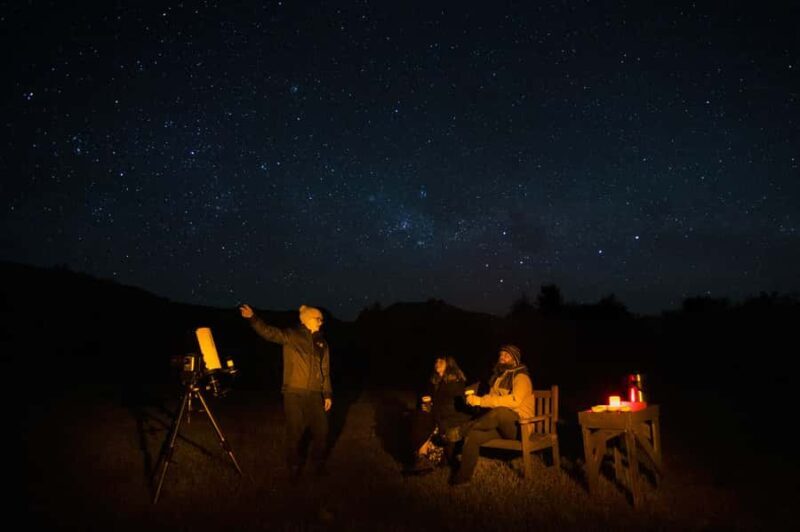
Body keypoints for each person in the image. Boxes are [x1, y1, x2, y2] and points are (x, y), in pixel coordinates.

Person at [239, 303, 332, 477]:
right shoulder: (292, 335)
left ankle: (318, 464)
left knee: (322, 430)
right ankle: (294, 467)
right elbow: (269, 332)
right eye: (318, 319)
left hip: (314, 393)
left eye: (322, 319)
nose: (321, 322)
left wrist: (327, 394)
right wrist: (253, 318)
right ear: (306, 320)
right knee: (294, 431)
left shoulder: (322, 343)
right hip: (293, 392)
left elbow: (324, 370)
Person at [450, 344, 534, 485]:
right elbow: (490, 400)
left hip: (520, 426)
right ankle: (462, 478)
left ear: (515, 360)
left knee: (500, 411)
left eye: (506, 356)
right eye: (501, 355)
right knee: (474, 436)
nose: (502, 357)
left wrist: (481, 401)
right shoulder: (499, 378)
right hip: (501, 425)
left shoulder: (521, 377)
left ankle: (462, 429)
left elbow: (515, 400)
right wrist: (476, 401)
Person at [406, 356, 472, 474]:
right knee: (419, 415)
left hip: (450, 417)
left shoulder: (455, 382)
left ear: (449, 364)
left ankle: (423, 459)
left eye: (441, 361)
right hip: (437, 415)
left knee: (422, 419)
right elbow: (427, 398)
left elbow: (454, 406)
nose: (437, 363)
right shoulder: (434, 381)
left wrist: (432, 408)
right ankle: (421, 459)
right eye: (436, 361)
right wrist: (425, 405)